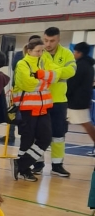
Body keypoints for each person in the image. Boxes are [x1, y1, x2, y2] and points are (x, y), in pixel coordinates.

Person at [11, 37, 56, 182]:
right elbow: (29, 84)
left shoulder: (44, 62)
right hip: (28, 108)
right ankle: (25, 170)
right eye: (38, 51)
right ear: (29, 51)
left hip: (44, 107)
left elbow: (54, 76)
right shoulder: (22, 64)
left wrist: (42, 77)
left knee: (46, 138)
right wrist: (45, 80)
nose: (41, 53)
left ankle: (21, 164)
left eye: (42, 51)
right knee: (27, 139)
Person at [41, 26, 76, 178]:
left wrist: (52, 73)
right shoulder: (39, 52)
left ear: (59, 39)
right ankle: (37, 163)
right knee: (39, 134)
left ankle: (57, 165)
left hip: (60, 101)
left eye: (52, 41)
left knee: (59, 135)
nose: (48, 44)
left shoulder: (67, 53)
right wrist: (59, 73)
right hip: (41, 99)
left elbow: (72, 71)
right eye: (46, 40)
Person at [67, 42, 95, 145]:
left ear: (80, 53)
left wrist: (66, 95)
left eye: (75, 52)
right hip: (82, 100)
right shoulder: (89, 66)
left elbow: (72, 83)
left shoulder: (79, 66)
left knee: (86, 124)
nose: (74, 54)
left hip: (76, 102)